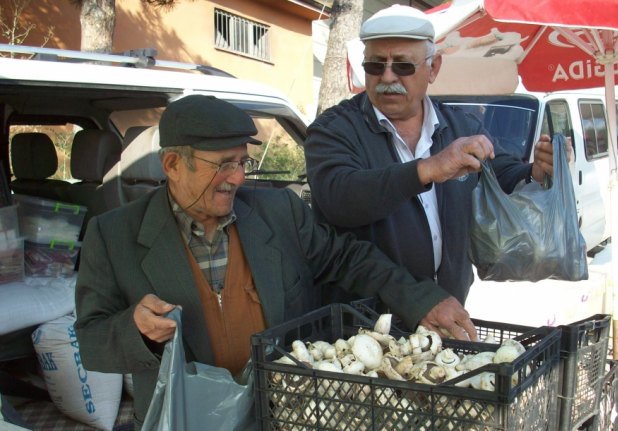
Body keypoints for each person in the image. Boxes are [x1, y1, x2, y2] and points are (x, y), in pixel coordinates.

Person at [73, 95, 476, 429]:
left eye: (242, 162)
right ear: (173, 165)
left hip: (285, 414)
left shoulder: (280, 212)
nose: (238, 178)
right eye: (223, 165)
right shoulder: (113, 236)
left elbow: (351, 258)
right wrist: (135, 330)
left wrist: (421, 299)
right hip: (184, 419)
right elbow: (91, 340)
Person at [304, 5, 555, 309]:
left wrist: (535, 172)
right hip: (361, 324)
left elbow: (500, 172)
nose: (387, 76)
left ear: (433, 68)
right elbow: (339, 198)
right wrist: (426, 170)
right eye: (374, 65)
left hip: (446, 311)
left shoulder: (462, 125)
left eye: (403, 66)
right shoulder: (333, 130)